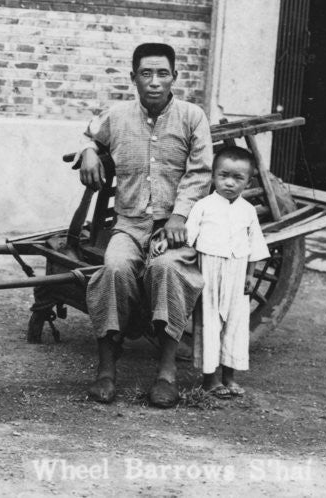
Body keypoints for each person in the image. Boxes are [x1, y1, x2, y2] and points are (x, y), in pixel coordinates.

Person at [75, 42, 213, 408]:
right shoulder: (118, 116)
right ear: (133, 77)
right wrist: (88, 150)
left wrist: (180, 217)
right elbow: (89, 133)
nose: (154, 82)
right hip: (130, 224)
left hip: (175, 227)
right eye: (146, 73)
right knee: (113, 268)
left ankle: (166, 373)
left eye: (162, 73)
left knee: (168, 269)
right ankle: (106, 370)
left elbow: (201, 172)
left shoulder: (192, 116)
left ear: (175, 78)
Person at [185, 145, 270, 398]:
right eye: (223, 176)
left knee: (236, 323)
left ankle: (229, 377)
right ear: (213, 175)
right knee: (209, 323)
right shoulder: (203, 206)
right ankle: (210, 380)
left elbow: (254, 245)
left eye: (238, 178)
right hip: (209, 272)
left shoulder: (247, 211)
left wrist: (249, 275)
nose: (229, 183)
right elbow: (187, 238)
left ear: (248, 181)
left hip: (236, 272)